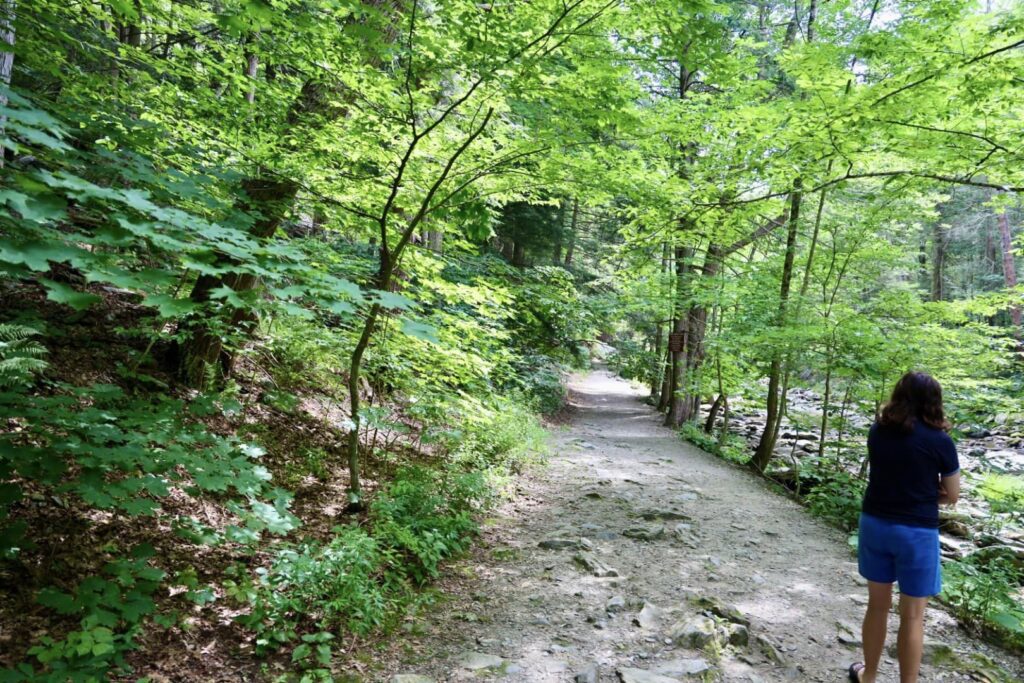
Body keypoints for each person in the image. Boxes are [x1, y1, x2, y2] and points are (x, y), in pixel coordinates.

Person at [849, 371, 960, 683]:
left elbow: (888, 475)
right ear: (934, 401)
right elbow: (952, 494)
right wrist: (928, 492)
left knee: (877, 606)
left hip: (875, 525)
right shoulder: (940, 441)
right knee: (912, 616)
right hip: (917, 532)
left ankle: (869, 675)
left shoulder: (878, 431)